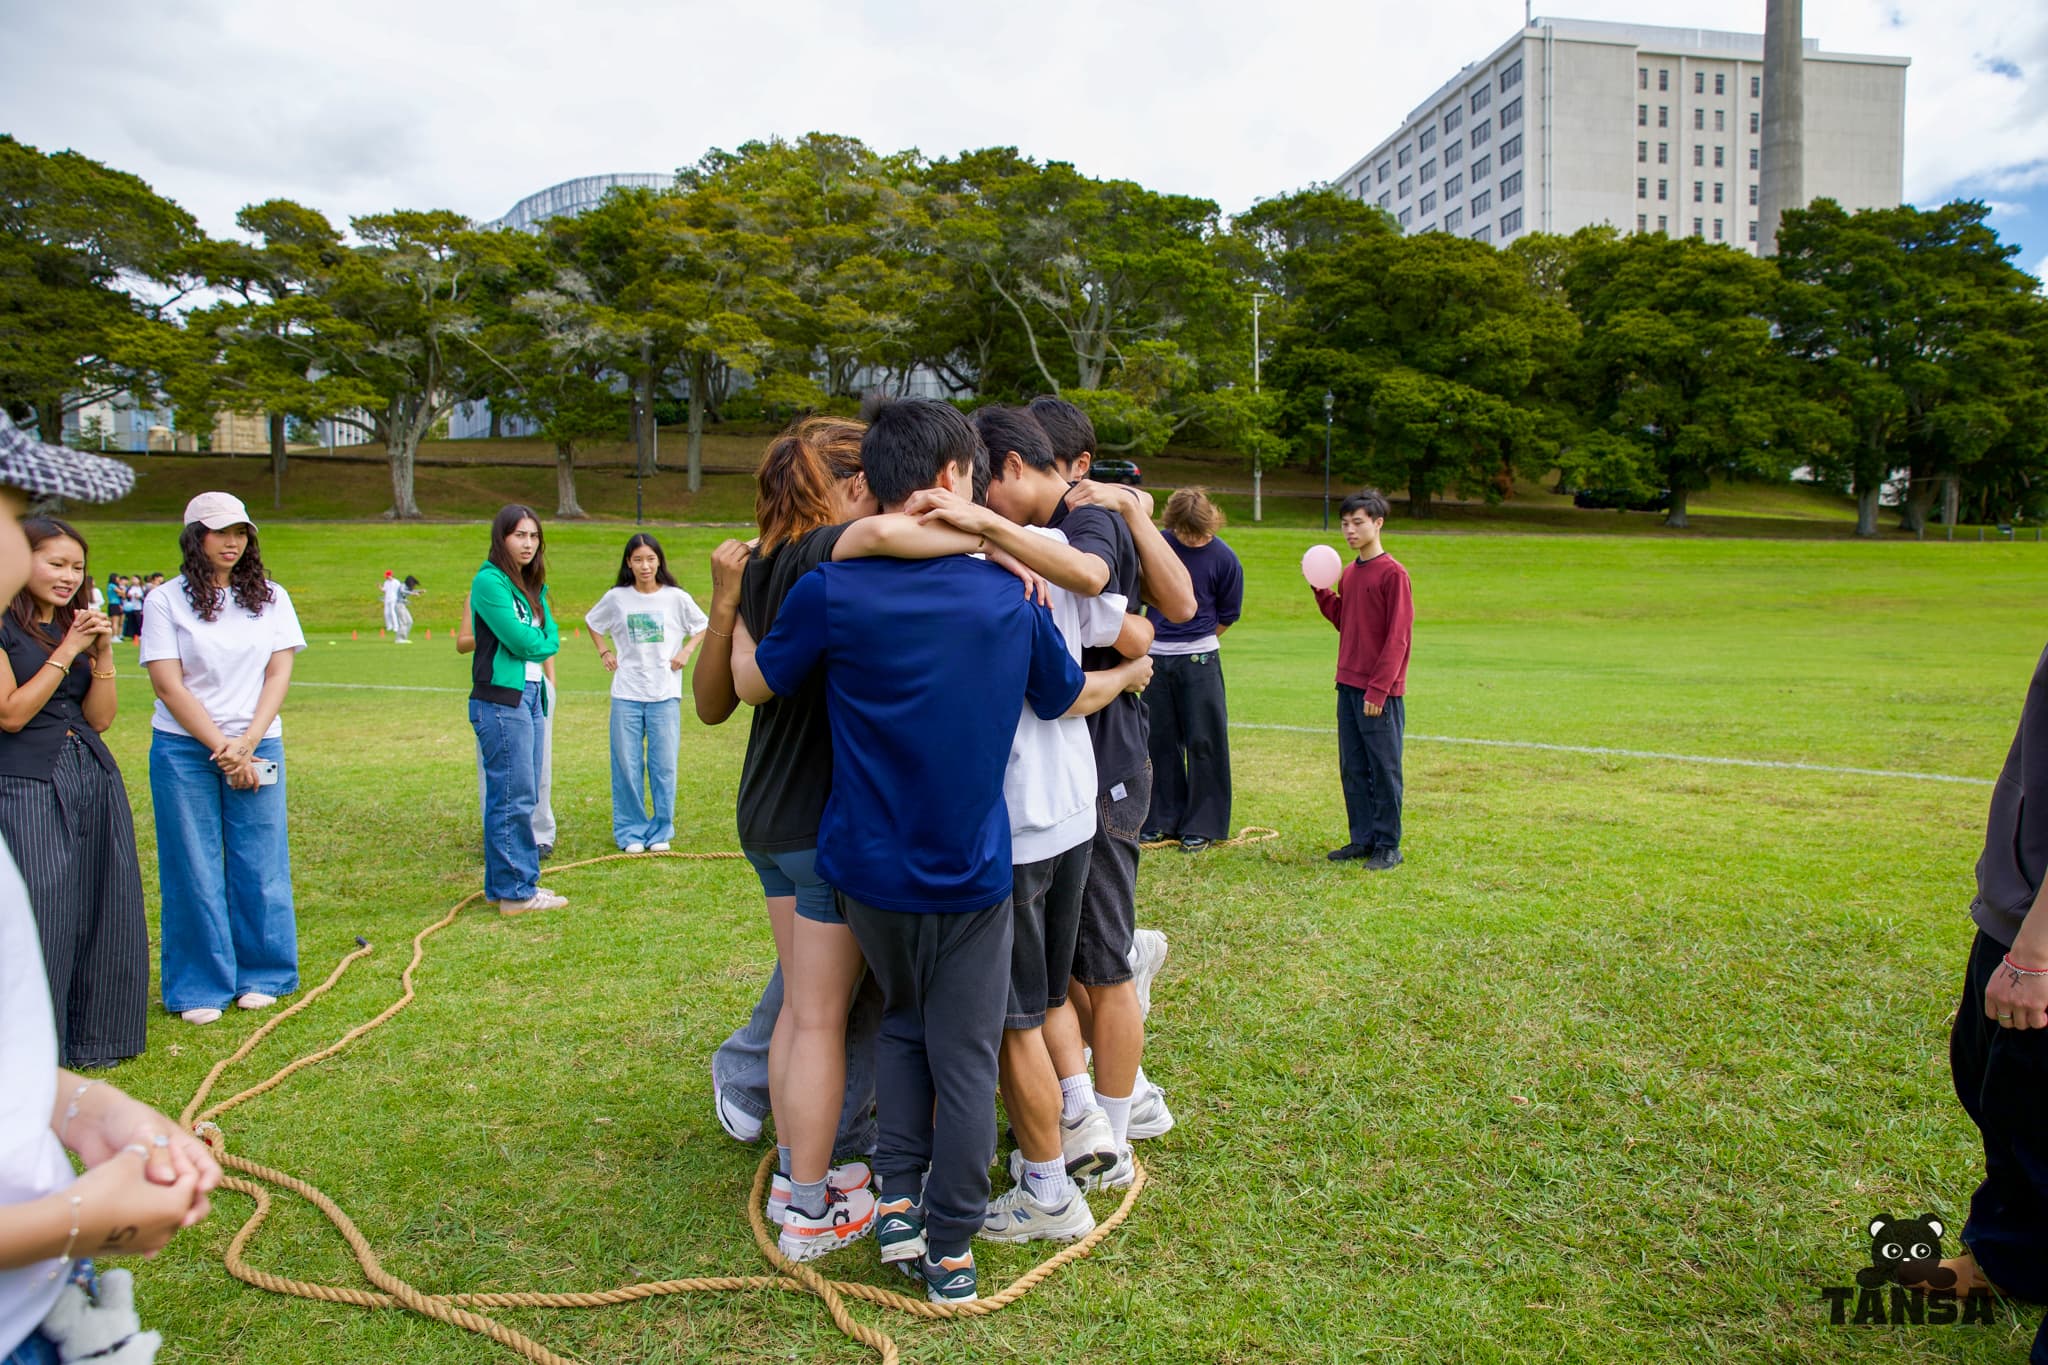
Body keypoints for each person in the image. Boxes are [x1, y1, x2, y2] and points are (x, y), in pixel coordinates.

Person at [733, 397, 1090, 1305]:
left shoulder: (830, 589)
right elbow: (1060, 693)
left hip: (866, 872)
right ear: (952, 478)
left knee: (899, 1023)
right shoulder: (1005, 591)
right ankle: (953, 1245)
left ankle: (899, 1201)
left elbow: (764, 681)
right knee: (962, 1055)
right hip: (969, 872)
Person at [0, 411, 222, 1365]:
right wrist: (77, 1216)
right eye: (14, 519)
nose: (27, 551)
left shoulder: (76, 624)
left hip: (44, 1309)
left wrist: (78, 1104)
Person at [1016, 395, 1194, 1188]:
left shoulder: (1093, 523)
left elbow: (1175, 608)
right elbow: (1136, 626)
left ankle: (1116, 1129)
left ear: (1075, 469)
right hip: (1065, 765)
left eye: (1028, 462)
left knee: (1104, 962)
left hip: (1103, 757)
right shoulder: (1048, 530)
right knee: (1075, 961)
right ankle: (1109, 1099)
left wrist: (1129, 511)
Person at [142, 492, 306, 1026]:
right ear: (195, 537)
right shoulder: (165, 601)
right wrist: (222, 746)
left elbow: (278, 672)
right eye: (220, 532)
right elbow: (169, 684)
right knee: (192, 864)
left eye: (241, 531)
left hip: (259, 743)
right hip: (184, 749)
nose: (232, 541)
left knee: (260, 859)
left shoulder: (272, 597)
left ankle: (264, 974)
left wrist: (248, 743)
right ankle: (199, 985)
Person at [0, 518, 147, 1067]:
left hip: (90, 771)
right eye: (56, 563)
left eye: (77, 567)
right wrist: (70, 648)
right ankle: (33, 1044)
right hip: (25, 781)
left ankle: (96, 1037)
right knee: (43, 910)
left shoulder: (72, 629)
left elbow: (100, 720)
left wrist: (103, 655)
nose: (69, 576)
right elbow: (11, 714)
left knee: (101, 902)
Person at [1940, 642, 2048, 1353]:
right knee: (2002, 1097)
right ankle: (2017, 1258)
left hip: (2040, 936)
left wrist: (2037, 953)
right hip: (2017, 904)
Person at [467, 505, 563, 915]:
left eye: (533, 536)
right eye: (519, 535)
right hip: (501, 700)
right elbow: (523, 640)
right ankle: (517, 894)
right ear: (501, 538)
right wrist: (538, 639)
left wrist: (539, 639)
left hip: (532, 694)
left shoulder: (533, 587)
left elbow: (551, 636)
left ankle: (504, 887)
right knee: (513, 796)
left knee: (522, 792)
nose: (527, 543)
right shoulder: (489, 582)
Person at [586, 534, 707, 853]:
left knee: (663, 765)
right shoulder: (617, 598)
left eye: (650, 559)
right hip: (627, 693)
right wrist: (604, 652)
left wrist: (686, 651)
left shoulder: (676, 598)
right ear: (629, 562)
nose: (645, 566)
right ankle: (631, 832)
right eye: (638, 559)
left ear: (659, 561)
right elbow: (593, 622)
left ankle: (661, 830)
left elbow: (703, 625)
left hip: (665, 694)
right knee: (626, 765)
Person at [1140, 487, 1243, 853]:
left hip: (1200, 659)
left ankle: (1203, 824)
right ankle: (1160, 819)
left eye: (1197, 533)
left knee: (1205, 740)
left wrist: (1193, 640)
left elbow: (1228, 614)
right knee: (1159, 741)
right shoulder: (1157, 547)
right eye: (1184, 532)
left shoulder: (1225, 558)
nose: (1190, 539)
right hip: (1156, 659)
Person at [1313, 489, 1412, 872]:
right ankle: (1363, 838)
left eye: (1358, 522)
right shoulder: (1351, 574)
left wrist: (1380, 688)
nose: (1350, 530)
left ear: (1377, 523)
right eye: (1345, 523)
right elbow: (1347, 621)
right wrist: (1322, 592)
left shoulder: (1394, 574)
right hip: (1348, 685)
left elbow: (1398, 637)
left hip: (1379, 692)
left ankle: (1389, 844)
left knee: (1383, 767)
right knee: (1353, 766)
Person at [458, 596, 557, 860]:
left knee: (539, 765)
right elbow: (462, 642)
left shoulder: (534, 592)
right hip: (501, 686)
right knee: (501, 769)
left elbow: (545, 638)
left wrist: (551, 680)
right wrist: (498, 632)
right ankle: (500, 836)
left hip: (538, 687)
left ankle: (539, 833)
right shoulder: (483, 593)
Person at [379, 571, 402, 640]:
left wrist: (399, 598)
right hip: (387, 599)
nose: (386, 577)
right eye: (386, 576)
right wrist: (380, 587)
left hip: (394, 598)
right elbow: (384, 590)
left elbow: (400, 590)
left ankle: (396, 627)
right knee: (386, 613)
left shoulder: (397, 582)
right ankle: (389, 626)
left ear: (391, 575)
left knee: (392, 612)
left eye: (387, 576)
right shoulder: (386, 582)